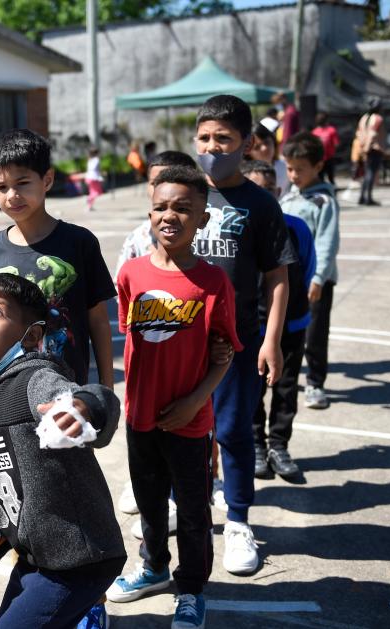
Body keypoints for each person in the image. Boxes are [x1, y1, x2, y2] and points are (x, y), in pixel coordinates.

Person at [107, 166, 241, 629]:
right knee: (148, 502)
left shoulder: (213, 282)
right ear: (149, 214)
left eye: (184, 208)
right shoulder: (130, 274)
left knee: (192, 510)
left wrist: (193, 400)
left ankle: (192, 588)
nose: (171, 215)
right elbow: (130, 336)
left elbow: (225, 354)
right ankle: (154, 565)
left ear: (202, 220)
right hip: (140, 415)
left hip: (189, 421)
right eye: (162, 207)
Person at [0, 272, 126, 628]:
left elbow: (101, 402)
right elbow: (14, 492)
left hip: (78, 560)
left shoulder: (35, 378)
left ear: (32, 335)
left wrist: (84, 405)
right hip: (39, 559)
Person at [192, 94, 296, 575]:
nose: (212, 147)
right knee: (183, 429)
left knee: (232, 431)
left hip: (237, 342)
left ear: (247, 144)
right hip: (179, 338)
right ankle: (185, 504)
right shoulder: (184, 192)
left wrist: (272, 340)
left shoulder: (260, 204)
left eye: (224, 139)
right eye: (205, 138)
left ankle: (237, 521)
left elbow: (278, 277)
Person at [0, 128, 115, 389]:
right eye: (1, 187)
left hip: (68, 393)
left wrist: (106, 388)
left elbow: (98, 321)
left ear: (47, 180)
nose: (12, 195)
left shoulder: (79, 242)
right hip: (10, 392)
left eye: (22, 183)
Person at [242, 160, 316, 479]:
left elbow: (307, 269)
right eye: (256, 190)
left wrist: (293, 310)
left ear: (279, 191)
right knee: (253, 390)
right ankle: (256, 445)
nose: (264, 196)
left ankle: (279, 445)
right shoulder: (240, 231)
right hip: (251, 327)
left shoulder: (296, 227)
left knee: (286, 389)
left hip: (292, 324)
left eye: (269, 190)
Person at [280, 132, 340, 412]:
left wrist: (317, 278)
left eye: (299, 169)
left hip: (315, 283)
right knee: (286, 332)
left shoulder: (323, 202)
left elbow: (327, 242)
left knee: (315, 334)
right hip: (287, 281)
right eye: (289, 168)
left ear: (318, 166)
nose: (293, 175)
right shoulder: (288, 198)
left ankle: (315, 382)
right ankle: (281, 373)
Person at [115, 150, 197, 276]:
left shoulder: (211, 237)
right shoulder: (137, 239)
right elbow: (121, 288)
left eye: (169, 183)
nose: (161, 190)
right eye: (154, 183)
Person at [355, 98, 387, 206]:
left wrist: (362, 146)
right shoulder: (377, 118)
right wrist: (367, 148)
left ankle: (362, 197)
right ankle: (368, 197)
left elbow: (359, 133)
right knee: (370, 173)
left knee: (367, 173)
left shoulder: (364, 118)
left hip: (365, 147)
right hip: (373, 149)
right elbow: (372, 134)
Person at [246, 123, 289, 199]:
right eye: (257, 147)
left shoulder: (286, 167)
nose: (264, 148)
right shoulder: (244, 175)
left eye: (267, 142)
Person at [311, 112, 340, 186]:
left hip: (325, 159)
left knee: (326, 178)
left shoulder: (315, 132)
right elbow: (336, 144)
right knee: (326, 178)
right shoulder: (330, 130)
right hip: (324, 159)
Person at [85, 146, 104, 211]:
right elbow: (96, 169)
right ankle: (89, 199)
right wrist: (100, 175)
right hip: (94, 178)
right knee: (97, 192)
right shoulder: (96, 159)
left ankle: (90, 206)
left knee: (92, 192)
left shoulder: (89, 159)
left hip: (88, 177)